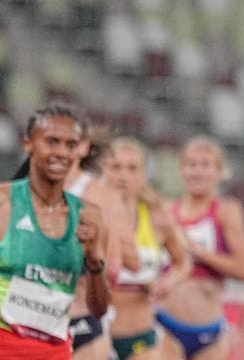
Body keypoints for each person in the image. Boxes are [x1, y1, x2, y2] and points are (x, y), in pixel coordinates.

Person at [0, 102, 111, 359]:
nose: (61, 153)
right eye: (51, 142)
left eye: (70, 145)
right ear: (28, 143)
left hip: (53, 351)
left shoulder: (90, 216)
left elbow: (98, 309)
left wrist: (95, 261)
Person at [156, 135, 244, 360]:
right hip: (166, 323)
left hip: (208, 331)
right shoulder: (166, 211)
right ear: (181, 170)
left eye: (205, 165)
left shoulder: (226, 210)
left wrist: (198, 252)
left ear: (219, 171)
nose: (197, 172)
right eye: (191, 165)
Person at [103, 137, 190, 360]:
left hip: (138, 333)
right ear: (104, 169)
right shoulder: (88, 211)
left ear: (143, 175)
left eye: (132, 168)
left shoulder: (156, 216)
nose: (123, 176)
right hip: (95, 334)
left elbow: (183, 262)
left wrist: (167, 283)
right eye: (116, 167)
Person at [64, 125, 140, 359]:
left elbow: (116, 265)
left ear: (84, 147)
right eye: (50, 142)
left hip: (84, 317)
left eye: (66, 143)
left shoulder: (101, 196)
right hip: (36, 319)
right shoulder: (26, 191)